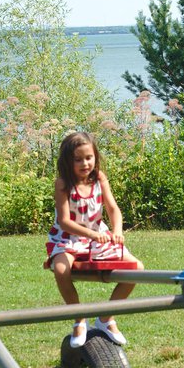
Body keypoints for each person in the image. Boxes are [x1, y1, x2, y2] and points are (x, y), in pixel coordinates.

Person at [46, 131, 141, 348]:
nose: (84, 163)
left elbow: (113, 209)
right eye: (77, 159)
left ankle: (106, 318)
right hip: (68, 238)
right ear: (67, 161)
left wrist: (117, 230)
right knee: (61, 270)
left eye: (89, 158)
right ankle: (79, 319)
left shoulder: (99, 178)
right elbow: (64, 221)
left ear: (95, 157)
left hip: (98, 237)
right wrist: (91, 234)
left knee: (136, 268)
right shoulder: (63, 184)